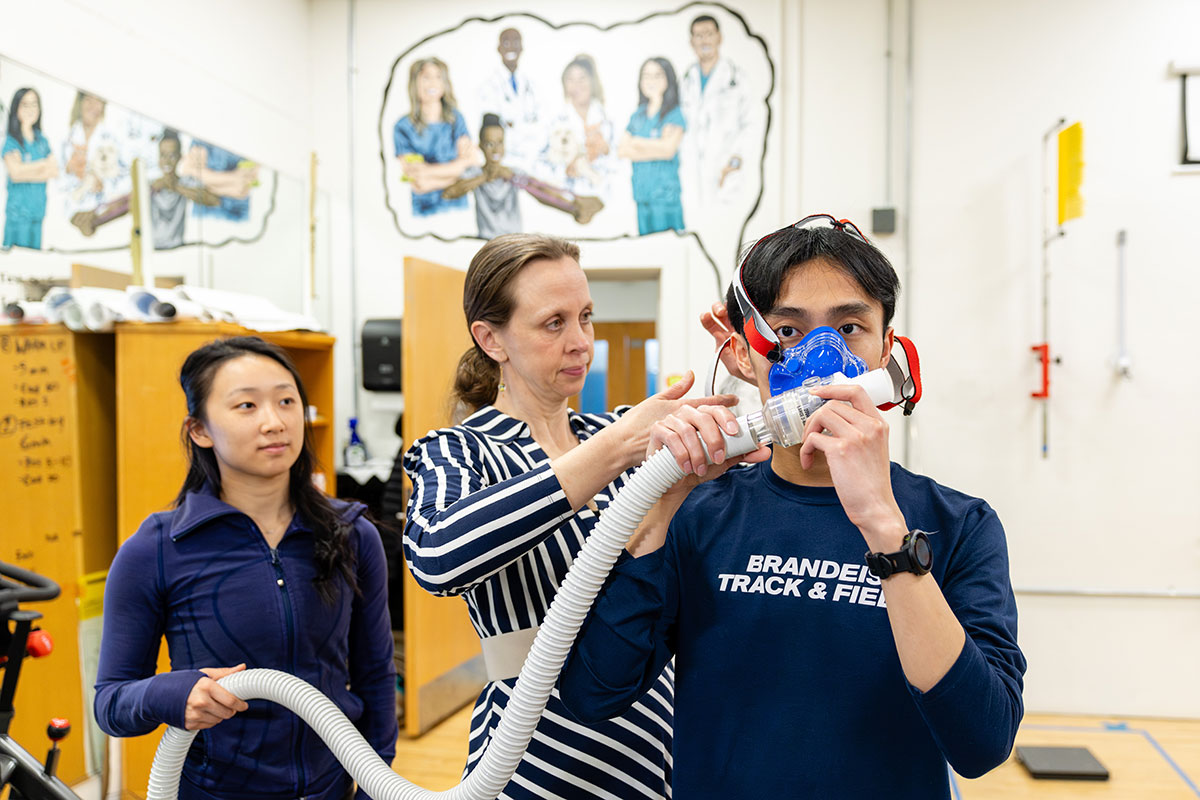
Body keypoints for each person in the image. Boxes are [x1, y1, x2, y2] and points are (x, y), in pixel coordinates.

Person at [559, 217, 1027, 798]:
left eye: (850, 327)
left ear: (888, 351)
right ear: (744, 353)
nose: (822, 356)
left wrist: (882, 524)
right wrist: (656, 514)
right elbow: (594, 693)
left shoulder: (957, 524)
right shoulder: (698, 516)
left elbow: (982, 743)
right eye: (787, 328)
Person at [403, 233, 740, 799]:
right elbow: (436, 556)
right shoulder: (461, 451)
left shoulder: (617, 430)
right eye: (553, 323)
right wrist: (617, 448)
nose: (582, 342)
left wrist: (744, 363)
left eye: (586, 317)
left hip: (650, 727)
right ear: (491, 339)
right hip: (536, 744)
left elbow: (731, 443)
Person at [94, 336, 397, 800]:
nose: (274, 422)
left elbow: (375, 677)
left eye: (286, 401)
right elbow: (111, 701)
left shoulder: (353, 534)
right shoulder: (156, 549)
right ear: (200, 430)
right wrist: (174, 693)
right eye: (247, 406)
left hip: (331, 788)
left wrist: (380, 788)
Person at [443, 114, 603, 238]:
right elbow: (450, 193)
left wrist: (571, 208)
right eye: (490, 144)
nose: (495, 149)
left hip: (514, 239)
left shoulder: (514, 173)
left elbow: (541, 192)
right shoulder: (474, 173)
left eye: (500, 142)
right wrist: (484, 177)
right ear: (481, 147)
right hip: (488, 242)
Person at [679, 15, 751, 215]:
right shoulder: (686, 80)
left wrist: (734, 161)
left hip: (726, 168)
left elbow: (749, 124)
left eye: (709, 34)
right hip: (693, 171)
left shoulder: (737, 78)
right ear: (691, 42)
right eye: (698, 35)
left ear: (719, 37)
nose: (704, 40)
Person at [393, 57, 476, 217]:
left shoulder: (455, 119)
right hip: (425, 210)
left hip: (459, 210)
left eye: (438, 77)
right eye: (426, 77)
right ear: (414, 83)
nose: (433, 83)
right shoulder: (403, 127)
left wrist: (430, 174)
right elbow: (416, 178)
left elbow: (471, 164)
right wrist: (457, 175)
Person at [618, 58, 685, 236]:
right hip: (642, 195)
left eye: (657, 76)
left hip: (665, 197)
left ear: (668, 80)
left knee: (669, 249)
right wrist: (656, 146)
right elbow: (622, 150)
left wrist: (637, 143)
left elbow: (668, 150)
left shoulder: (674, 114)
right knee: (647, 249)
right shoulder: (638, 115)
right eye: (646, 76)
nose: (651, 81)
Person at [536, 55, 615, 198]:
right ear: (564, 85)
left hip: (602, 197)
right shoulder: (555, 122)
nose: (576, 85)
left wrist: (605, 151)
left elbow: (620, 164)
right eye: (570, 79)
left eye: (582, 78)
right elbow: (537, 164)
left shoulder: (607, 120)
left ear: (592, 81)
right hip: (568, 199)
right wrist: (565, 170)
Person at [477, 27, 541, 172]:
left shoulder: (532, 86)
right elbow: (492, 134)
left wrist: (515, 126)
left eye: (516, 42)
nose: (511, 47)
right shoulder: (488, 87)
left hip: (532, 160)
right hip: (504, 164)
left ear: (522, 48)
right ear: (499, 48)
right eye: (506, 43)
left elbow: (540, 125)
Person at [3, 88, 58, 250]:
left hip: (38, 214)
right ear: (16, 109)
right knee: (14, 268)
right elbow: (16, 173)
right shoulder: (11, 141)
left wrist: (26, 169)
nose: (30, 110)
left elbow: (54, 170)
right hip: (18, 216)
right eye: (25, 105)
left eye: (34, 105)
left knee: (34, 267)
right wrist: (42, 165)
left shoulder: (42, 140)